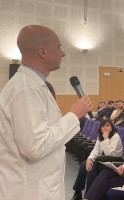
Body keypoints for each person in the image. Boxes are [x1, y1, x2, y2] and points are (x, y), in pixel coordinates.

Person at [0, 25, 92, 200]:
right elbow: (36, 146)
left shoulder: (33, 85)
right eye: (58, 47)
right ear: (42, 51)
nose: (62, 53)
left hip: (39, 186)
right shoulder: (26, 89)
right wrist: (73, 115)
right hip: (29, 190)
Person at [71, 119, 123, 200]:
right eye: (103, 126)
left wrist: (106, 139)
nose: (105, 128)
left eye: (107, 125)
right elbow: (95, 151)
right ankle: (77, 192)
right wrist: (89, 159)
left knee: (92, 167)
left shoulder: (115, 136)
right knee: (84, 164)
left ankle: (88, 196)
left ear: (111, 127)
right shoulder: (100, 137)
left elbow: (109, 153)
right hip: (103, 160)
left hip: (114, 161)